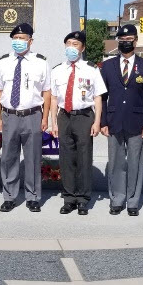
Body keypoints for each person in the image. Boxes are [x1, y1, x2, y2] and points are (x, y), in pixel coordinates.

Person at [0, 22, 51, 213]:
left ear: (30, 41)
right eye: (15, 38)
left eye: (22, 39)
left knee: (33, 157)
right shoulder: (3, 62)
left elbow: (46, 92)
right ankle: (9, 196)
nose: (18, 41)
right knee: (8, 157)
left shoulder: (41, 62)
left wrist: (45, 119)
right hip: (9, 115)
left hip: (32, 115)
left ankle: (33, 196)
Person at [99, 24, 143, 216]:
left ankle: (132, 201)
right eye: (122, 40)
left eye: (129, 40)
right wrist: (103, 122)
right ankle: (117, 199)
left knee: (135, 163)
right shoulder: (107, 66)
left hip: (137, 122)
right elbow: (102, 97)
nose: (125, 43)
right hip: (113, 121)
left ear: (136, 41)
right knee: (116, 162)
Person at [50, 30, 106, 215]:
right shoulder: (57, 69)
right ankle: (68, 198)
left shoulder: (91, 69)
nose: (71, 48)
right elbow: (53, 98)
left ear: (83, 48)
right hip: (64, 116)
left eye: (75, 44)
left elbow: (98, 97)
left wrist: (97, 121)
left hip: (84, 117)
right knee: (66, 159)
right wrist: (54, 123)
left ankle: (82, 199)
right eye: (68, 44)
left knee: (83, 157)